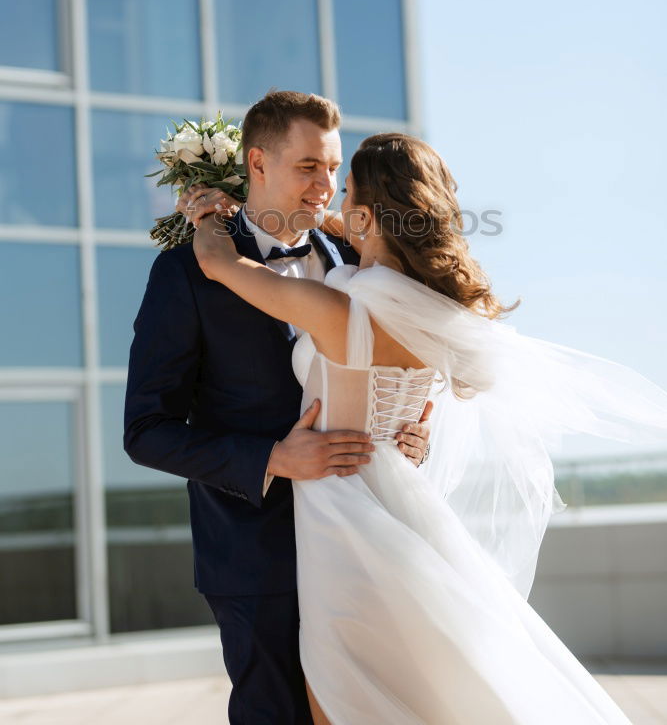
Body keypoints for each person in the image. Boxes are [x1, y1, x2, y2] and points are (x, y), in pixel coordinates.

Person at [191, 130, 667, 724]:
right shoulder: (430, 312)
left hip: (342, 517)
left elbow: (216, 262)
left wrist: (205, 210)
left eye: (346, 194)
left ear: (367, 213)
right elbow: (354, 234)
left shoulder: (342, 309)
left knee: (341, 696)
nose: (334, 205)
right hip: (401, 502)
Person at [123, 91, 431, 725]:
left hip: (366, 539)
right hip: (256, 555)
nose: (326, 186)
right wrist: (272, 458)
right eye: (308, 167)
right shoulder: (185, 273)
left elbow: (400, 373)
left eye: (332, 169)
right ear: (257, 163)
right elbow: (145, 431)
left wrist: (414, 435)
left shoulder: (359, 261)